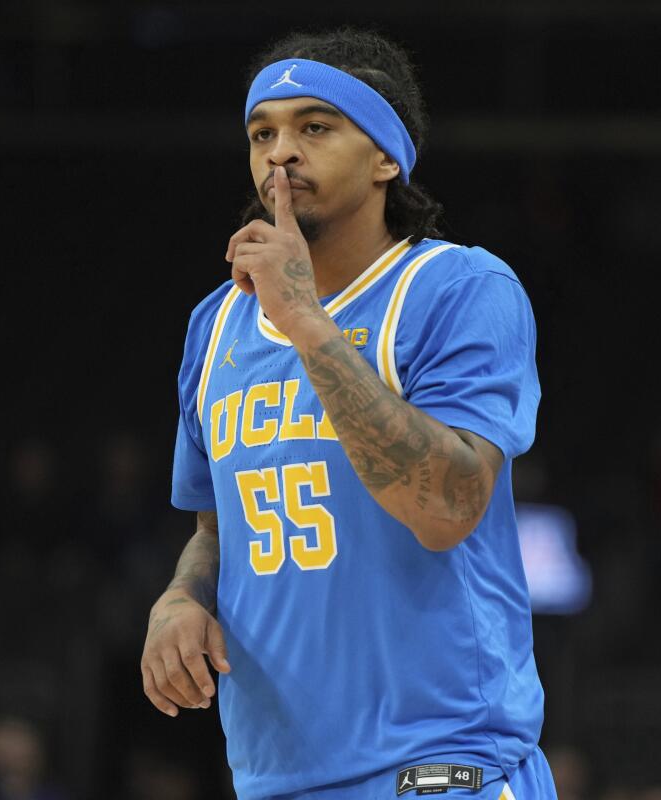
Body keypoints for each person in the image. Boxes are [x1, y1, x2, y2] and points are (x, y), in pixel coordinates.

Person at [141, 29, 553, 800]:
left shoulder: (457, 289)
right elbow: (216, 530)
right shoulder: (217, 325)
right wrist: (180, 599)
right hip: (275, 777)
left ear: (386, 158)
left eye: (315, 128)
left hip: (439, 768)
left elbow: (447, 506)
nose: (281, 153)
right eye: (262, 133)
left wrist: (306, 321)